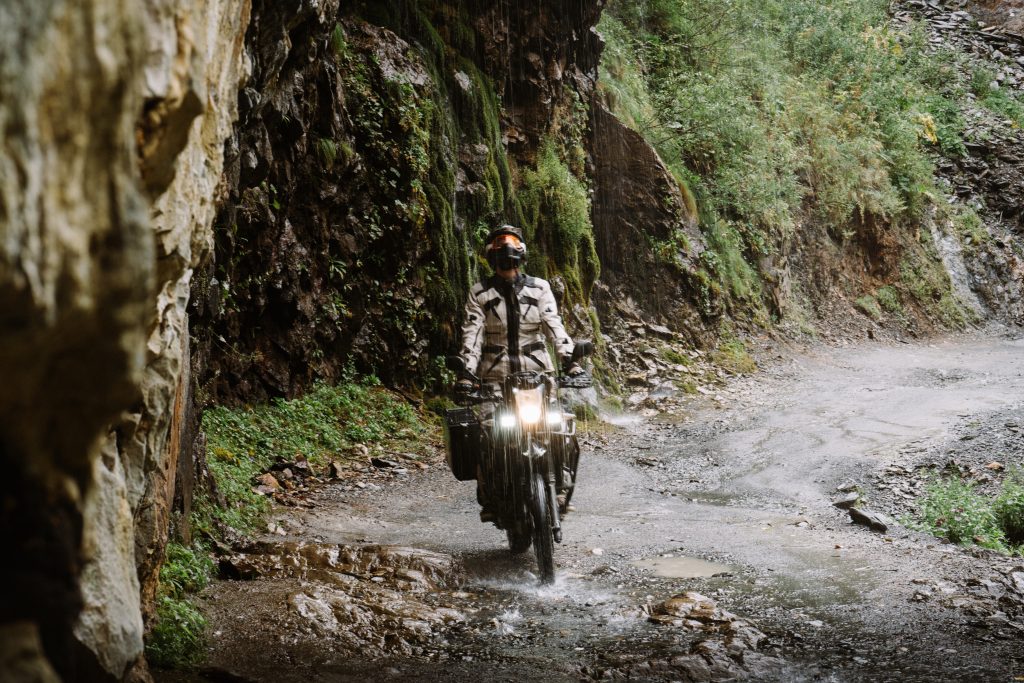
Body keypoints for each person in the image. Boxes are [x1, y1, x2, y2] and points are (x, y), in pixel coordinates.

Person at [457, 225, 584, 523]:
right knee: (487, 436)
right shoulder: (480, 293)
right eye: (501, 248)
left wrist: (570, 361)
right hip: (494, 382)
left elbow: (555, 326)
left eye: (512, 248)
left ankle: (562, 485)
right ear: (492, 256)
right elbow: (472, 335)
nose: (507, 255)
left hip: (538, 380)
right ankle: (489, 491)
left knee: (560, 432)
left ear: (521, 255)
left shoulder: (539, 288)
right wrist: (465, 373)